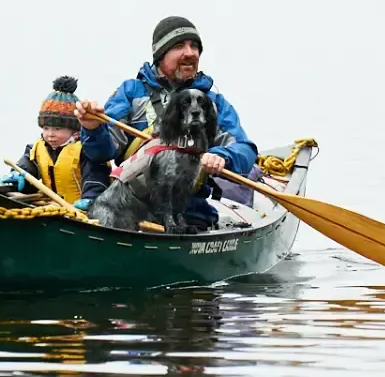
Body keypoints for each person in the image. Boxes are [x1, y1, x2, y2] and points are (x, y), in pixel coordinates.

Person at [77, 16, 257, 231]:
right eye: (179, 46)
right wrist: (92, 128)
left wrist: (222, 157)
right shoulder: (131, 92)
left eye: (194, 47)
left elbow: (244, 149)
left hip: (190, 211)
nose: (190, 53)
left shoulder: (212, 102)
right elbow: (103, 152)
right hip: (130, 208)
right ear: (160, 55)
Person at [6, 75, 112, 206]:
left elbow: (95, 178)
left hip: (80, 209)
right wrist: (19, 174)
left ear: (74, 130)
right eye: (46, 128)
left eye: (57, 129)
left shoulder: (86, 151)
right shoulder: (37, 148)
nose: (50, 134)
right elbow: (27, 166)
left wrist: (92, 199)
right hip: (51, 206)